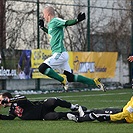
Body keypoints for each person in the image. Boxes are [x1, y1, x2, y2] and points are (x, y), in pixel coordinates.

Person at [38, 6, 105, 91]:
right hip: (61, 54)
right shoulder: (52, 25)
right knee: (70, 77)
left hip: (60, 53)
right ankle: (95, 82)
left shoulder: (55, 20)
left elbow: (66, 22)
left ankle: (62, 80)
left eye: (44, 15)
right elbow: (52, 33)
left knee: (42, 68)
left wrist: (77, 20)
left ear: (48, 14)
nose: (43, 17)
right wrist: (43, 28)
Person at [0, 92, 86, 120]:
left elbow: (23, 98)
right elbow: (10, 117)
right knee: (55, 116)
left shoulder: (17, 99)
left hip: (42, 106)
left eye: (0, 100)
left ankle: (73, 106)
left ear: (6, 98)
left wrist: (8, 100)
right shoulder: (11, 110)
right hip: (42, 116)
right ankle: (79, 114)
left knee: (53, 101)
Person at [67, 96, 133, 123]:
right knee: (99, 111)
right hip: (121, 111)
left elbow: (126, 114)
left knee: (96, 114)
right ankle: (82, 114)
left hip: (123, 118)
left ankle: (79, 119)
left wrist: (109, 117)